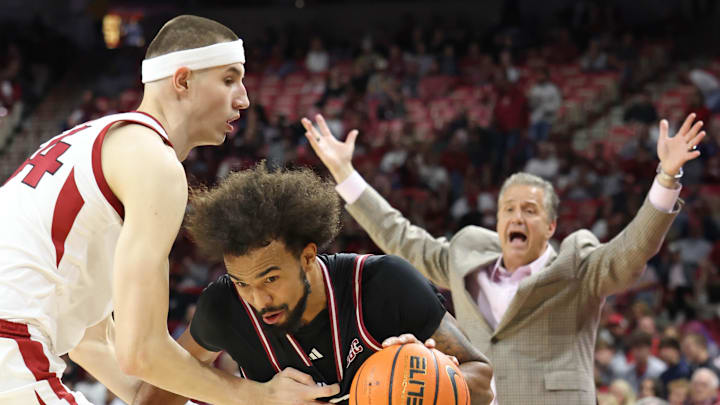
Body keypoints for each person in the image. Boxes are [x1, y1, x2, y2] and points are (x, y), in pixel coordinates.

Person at [0, 15, 332, 405]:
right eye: (229, 79)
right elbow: (142, 351)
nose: (243, 98)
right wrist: (260, 397)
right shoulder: (154, 162)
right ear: (183, 81)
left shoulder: (93, 139)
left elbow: (89, 340)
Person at [301, 112, 706, 404]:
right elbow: (400, 237)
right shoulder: (465, 259)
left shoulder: (577, 265)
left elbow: (632, 252)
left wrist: (667, 179)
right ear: (497, 222)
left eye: (530, 210)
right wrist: (345, 174)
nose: (517, 217)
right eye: (508, 209)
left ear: (550, 226)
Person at [133, 165, 494, 405]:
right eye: (243, 282)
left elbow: (482, 378)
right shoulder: (225, 307)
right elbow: (160, 387)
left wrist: (431, 374)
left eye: (270, 279)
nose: (258, 299)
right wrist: (250, 397)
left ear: (307, 257)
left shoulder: (386, 284)